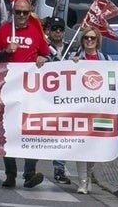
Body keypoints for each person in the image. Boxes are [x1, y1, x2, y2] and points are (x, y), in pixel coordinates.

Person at [0, 0, 50, 189]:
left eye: (25, 12)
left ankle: (30, 173)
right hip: (8, 88)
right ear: (13, 12)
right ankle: (10, 174)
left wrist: (43, 58)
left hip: (30, 90)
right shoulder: (4, 30)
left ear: (30, 12)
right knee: (9, 131)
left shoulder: (36, 31)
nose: (22, 16)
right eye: (18, 12)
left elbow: (48, 55)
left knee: (31, 130)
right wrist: (5, 51)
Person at [69, 27, 112, 194]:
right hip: (80, 109)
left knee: (94, 147)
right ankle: (82, 181)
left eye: (92, 38)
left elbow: (114, 78)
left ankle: (89, 174)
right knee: (81, 146)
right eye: (86, 38)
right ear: (82, 40)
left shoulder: (105, 60)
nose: (89, 41)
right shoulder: (76, 59)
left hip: (99, 110)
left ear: (97, 41)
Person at [44, 16, 72, 185]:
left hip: (65, 98)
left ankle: (59, 169)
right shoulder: (44, 47)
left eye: (60, 29)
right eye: (54, 29)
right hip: (45, 96)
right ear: (49, 31)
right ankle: (30, 169)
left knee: (63, 134)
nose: (57, 32)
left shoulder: (72, 48)